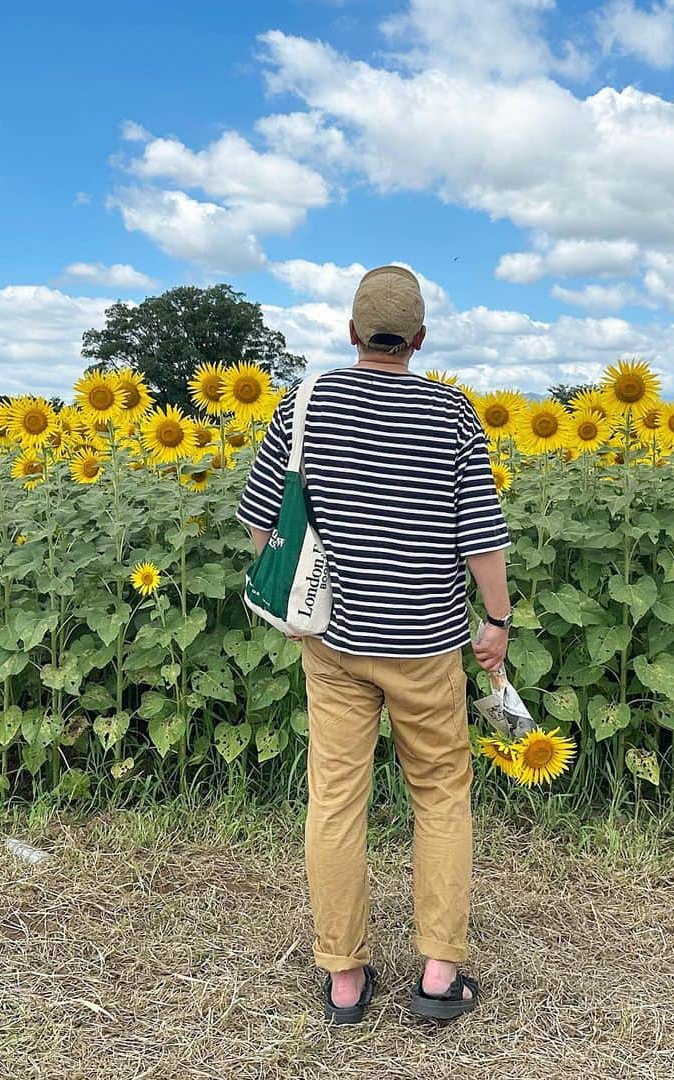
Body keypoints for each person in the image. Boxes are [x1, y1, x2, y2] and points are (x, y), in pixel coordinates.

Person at [236, 265, 512, 1024]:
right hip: (426, 645)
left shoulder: (304, 404)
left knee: (335, 800)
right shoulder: (453, 413)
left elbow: (263, 525)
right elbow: (480, 537)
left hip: (333, 641)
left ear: (353, 333)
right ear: (420, 339)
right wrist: (497, 622)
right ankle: (437, 976)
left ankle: (346, 978)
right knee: (441, 798)